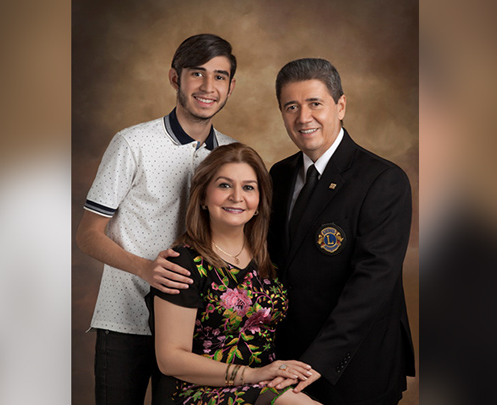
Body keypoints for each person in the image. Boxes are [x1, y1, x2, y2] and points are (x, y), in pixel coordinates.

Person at [75, 33, 238, 404]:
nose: (208, 87)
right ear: (174, 78)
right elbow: (88, 235)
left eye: (220, 76)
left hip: (193, 327)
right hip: (125, 320)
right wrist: (144, 268)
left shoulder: (231, 153)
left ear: (231, 86)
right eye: (197, 74)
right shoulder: (132, 143)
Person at [267, 58, 415, 404]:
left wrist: (317, 360)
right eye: (291, 107)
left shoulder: (382, 180)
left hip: (356, 363)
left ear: (341, 105)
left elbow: (373, 283)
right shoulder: (279, 175)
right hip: (289, 359)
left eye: (315, 103)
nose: (303, 118)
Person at [148, 143, 321, 405]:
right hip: (195, 390)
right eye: (224, 185)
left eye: (248, 187)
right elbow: (170, 358)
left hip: (264, 384)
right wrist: (253, 375)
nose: (237, 196)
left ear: (260, 201)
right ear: (203, 197)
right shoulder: (183, 262)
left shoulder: (269, 259)